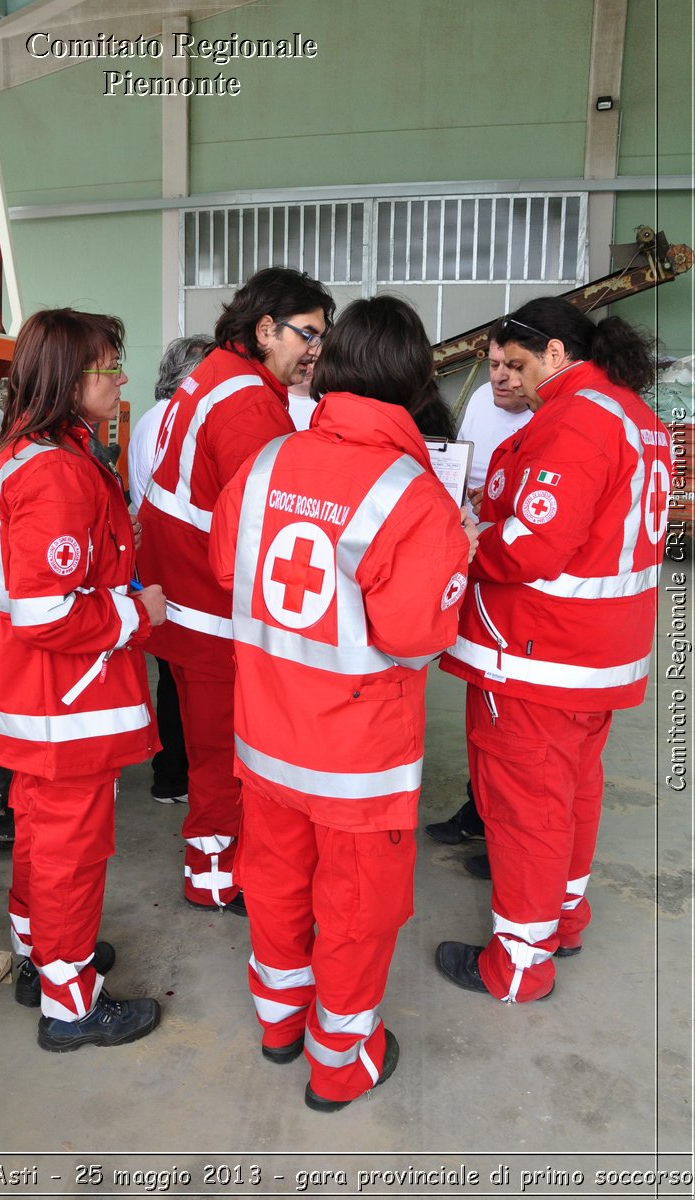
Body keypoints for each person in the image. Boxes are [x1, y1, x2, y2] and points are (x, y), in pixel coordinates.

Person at [209, 295, 474, 1111]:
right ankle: (341, 1061)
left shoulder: (263, 466)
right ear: (416, 381)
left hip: (265, 739)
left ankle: (280, 1023)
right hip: (355, 762)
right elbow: (413, 638)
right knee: (357, 909)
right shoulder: (413, 495)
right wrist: (453, 556)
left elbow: (227, 572)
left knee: (277, 882)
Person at [437, 296, 671, 1002]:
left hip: (538, 654)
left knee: (524, 809)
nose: (507, 379)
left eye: (516, 364)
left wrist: (463, 542)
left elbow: (532, 546)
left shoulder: (576, 424)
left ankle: (515, 967)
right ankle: (562, 918)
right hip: (599, 653)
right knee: (571, 793)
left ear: (557, 355)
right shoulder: (636, 416)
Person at [0, 308, 166, 1051]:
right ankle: (71, 1004)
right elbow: (47, 615)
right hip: (60, 700)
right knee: (69, 853)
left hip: (28, 694)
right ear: (70, 379)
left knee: (43, 837)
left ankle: (41, 960)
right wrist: (136, 611)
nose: (121, 378)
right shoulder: (56, 474)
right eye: (109, 366)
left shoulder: (30, 452)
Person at [137, 267, 335, 915]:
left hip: (186, 601)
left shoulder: (216, 374)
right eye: (306, 334)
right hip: (213, 615)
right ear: (265, 329)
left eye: (321, 338)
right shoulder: (248, 404)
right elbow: (266, 527)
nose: (314, 350)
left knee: (207, 746)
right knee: (223, 754)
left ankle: (217, 860)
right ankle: (215, 875)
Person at [425, 324, 533, 874]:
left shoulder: (545, 419)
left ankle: (503, 834)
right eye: (493, 366)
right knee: (482, 709)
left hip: (514, 582)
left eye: (513, 367)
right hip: (476, 567)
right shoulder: (480, 410)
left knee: (512, 726)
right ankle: (478, 809)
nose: (501, 377)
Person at [128, 334, 213, 805]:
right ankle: (176, 776)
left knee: (172, 672)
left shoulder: (150, 419)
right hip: (176, 564)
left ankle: (171, 774)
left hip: (157, 559)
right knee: (185, 675)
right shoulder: (177, 421)